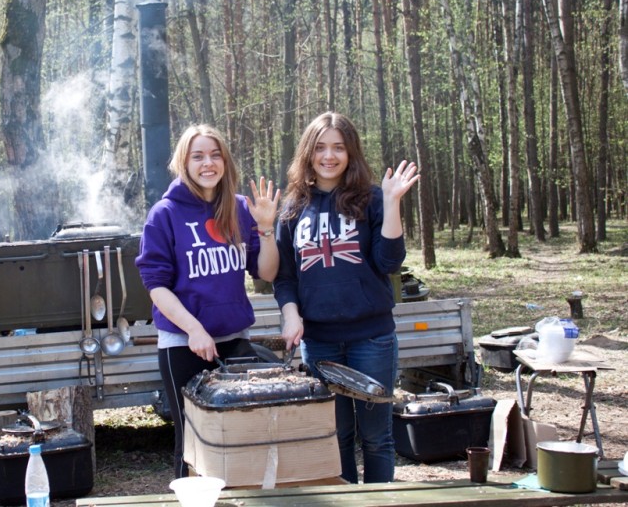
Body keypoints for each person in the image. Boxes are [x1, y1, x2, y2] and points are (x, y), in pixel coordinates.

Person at [274, 112, 419, 484]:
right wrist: (291, 316)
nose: (329, 156)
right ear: (308, 153)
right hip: (319, 343)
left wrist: (392, 202)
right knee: (334, 437)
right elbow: (285, 278)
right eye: (320, 147)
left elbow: (390, 261)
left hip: (371, 338)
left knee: (375, 437)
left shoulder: (371, 198)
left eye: (338, 147)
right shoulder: (292, 208)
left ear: (350, 152)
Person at [135, 124, 280, 478]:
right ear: (183, 163)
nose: (208, 163)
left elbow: (267, 272)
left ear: (225, 161)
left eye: (215, 155)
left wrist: (265, 228)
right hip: (184, 345)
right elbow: (156, 286)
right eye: (198, 156)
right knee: (192, 440)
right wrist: (194, 329)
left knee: (242, 435)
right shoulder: (164, 214)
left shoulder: (239, 209)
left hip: (234, 341)